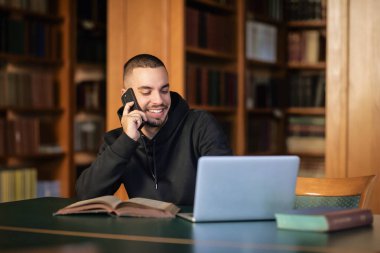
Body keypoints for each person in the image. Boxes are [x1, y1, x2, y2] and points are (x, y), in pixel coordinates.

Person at [76, 54, 232, 205]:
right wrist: (127, 141)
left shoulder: (200, 125)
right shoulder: (118, 141)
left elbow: (229, 187)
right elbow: (86, 195)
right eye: (146, 92)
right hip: (145, 230)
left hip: (191, 229)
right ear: (126, 97)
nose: (159, 100)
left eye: (164, 91)